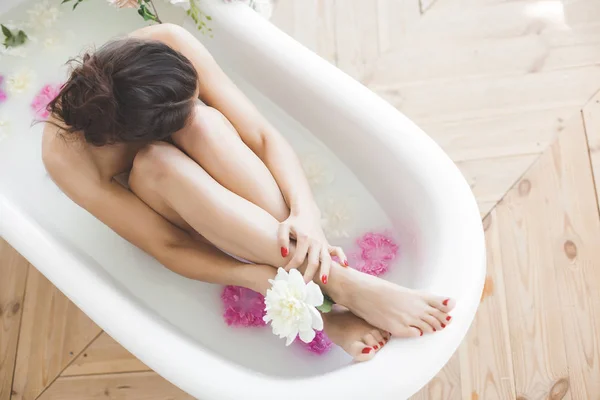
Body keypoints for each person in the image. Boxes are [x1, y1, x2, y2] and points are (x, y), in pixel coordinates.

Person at [42, 23, 455, 361]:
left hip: (249, 208)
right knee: (156, 164)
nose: (196, 104)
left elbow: (259, 136)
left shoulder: (164, 45)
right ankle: (336, 287)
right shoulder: (68, 159)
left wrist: (305, 211)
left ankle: (331, 281)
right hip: (181, 208)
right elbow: (168, 244)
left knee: (205, 124)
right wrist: (256, 278)